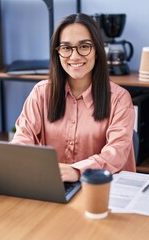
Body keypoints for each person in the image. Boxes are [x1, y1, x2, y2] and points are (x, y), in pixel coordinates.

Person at [11, 13, 136, 182]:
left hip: (102, 188)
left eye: (84, 46)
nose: (75, 56)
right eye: (66, 48)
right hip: (54, 185)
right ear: (58, 53)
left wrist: (77, 171)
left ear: (97, 51)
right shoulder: (41, 93)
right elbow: (22, 138)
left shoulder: (119, 99)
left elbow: (116, 154)